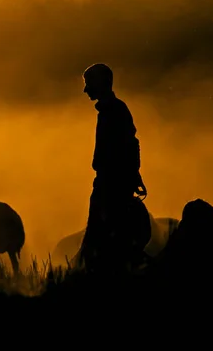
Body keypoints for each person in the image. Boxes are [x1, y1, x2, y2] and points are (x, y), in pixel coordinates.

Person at [77, 63, 150, 274]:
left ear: (100, 84)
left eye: (88, 83)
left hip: (111, 185)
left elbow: (128, 144)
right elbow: (131, 143)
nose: (85, 90)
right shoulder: (113, 110)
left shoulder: (113, 111)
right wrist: (134, 174)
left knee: (104, 238)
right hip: (112, 182)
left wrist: (130, 175)